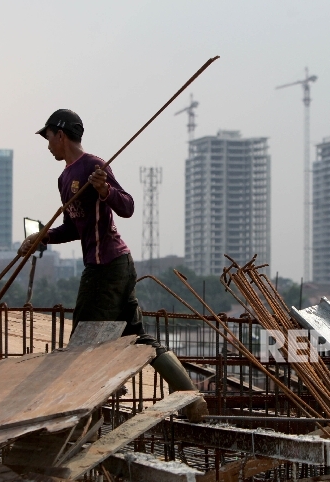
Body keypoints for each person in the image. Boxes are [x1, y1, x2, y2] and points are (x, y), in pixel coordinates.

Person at [20, 109, 207, 421]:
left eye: (48, 137)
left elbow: (128, 206)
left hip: (106, 267)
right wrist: (42, 237)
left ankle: (79, 413)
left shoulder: (94, 166)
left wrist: (105, 190)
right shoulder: (64, 178)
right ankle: (190, 397)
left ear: (61, 135)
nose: (47, 144)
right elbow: (72, 228)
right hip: (113, 265)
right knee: (138, 336)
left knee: (82, 341)